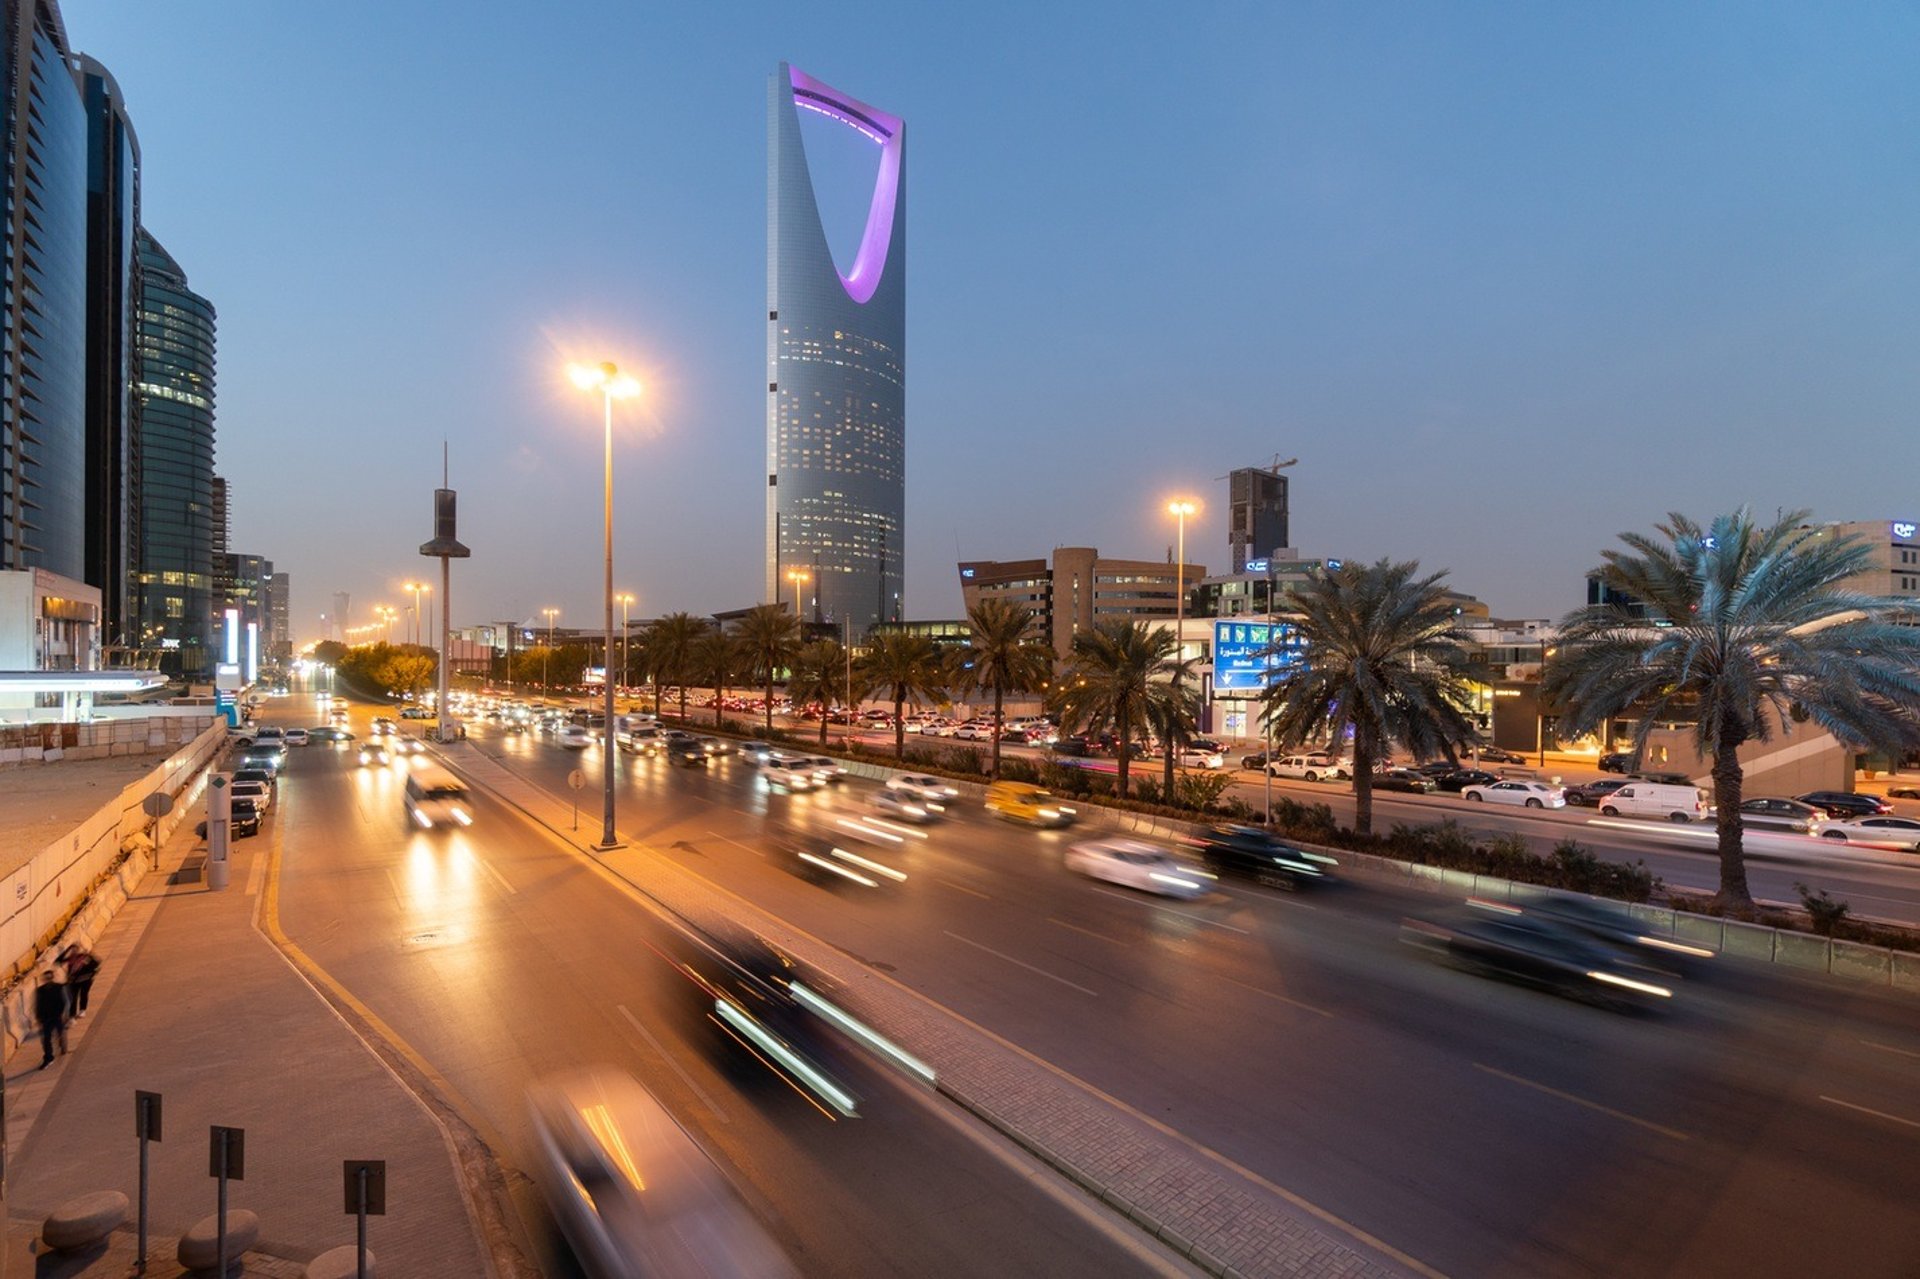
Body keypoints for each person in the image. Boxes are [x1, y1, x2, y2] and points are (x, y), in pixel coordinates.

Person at [33, 969, 68, 1068]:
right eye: (46, 978)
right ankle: (48, 1058)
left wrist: (64, 1014)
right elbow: (38, 1004)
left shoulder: (59, 987)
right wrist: (38, 1017)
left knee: (60, 1033)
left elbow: (65, 1002)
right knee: (46, 1039)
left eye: (49, 977)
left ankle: (62, 1043)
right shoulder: (40, 990)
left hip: (57, 1016)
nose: (48, 980)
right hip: (45, 1018)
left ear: (52, 977)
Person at [61, 945, 100, 1018]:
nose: (74, 952)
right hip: (74, 981)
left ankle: (82, 1010)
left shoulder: (84, 957)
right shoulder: (70, 959)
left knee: (83, 994)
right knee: (73, 997)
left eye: (75, 950)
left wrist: (90, 955)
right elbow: (59, 961)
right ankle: (72, 1014)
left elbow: (97, 963)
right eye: (72, 951)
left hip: (85, 980)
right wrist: (66, 951)